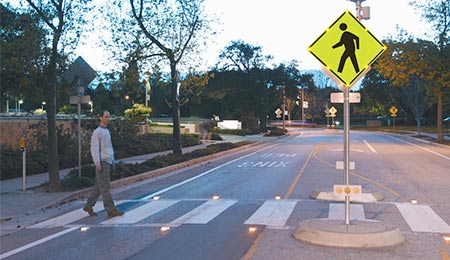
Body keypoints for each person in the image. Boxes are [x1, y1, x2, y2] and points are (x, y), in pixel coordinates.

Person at [83, 110, 124, 218]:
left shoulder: (106, 131)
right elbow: (94, 149)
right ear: (101, 118)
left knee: (99, 186)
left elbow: (109, 147)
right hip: (102, 162)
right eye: (106, 117)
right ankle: (110, 209)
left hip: (108, 161)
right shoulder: (97, 132)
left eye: (108, 117)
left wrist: (112, 159)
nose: (107, 119)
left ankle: (89, 205)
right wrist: (97, 163)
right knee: (105, 186)